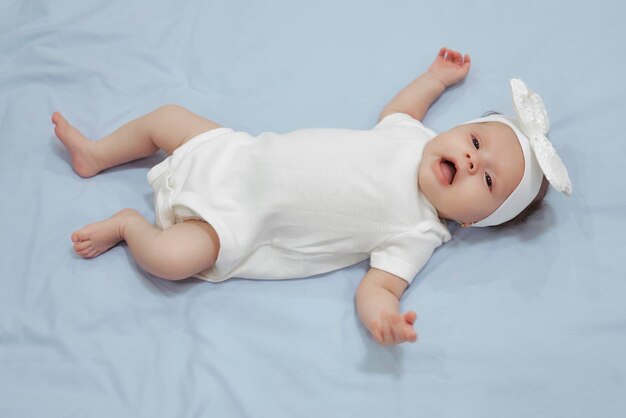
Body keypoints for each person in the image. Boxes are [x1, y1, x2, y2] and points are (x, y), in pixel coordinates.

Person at [52, 47, 571, 346]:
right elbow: (402, 108)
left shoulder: (420, 232)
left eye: (487, 182)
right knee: (166, 118)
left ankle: (127, 225)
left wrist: (382, 320)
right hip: (235, 153)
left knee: (169, 259)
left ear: (474, 223)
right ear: (456, 131)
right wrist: (434, 78)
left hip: (237, 223)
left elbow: (378, 290)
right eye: (475, 141)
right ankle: (97, 154)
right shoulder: (411, 138)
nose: (475, 160)